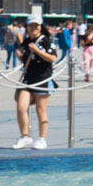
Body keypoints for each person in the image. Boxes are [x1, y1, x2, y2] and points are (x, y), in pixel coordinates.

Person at [12, 15, 57, 149]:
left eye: (36, 25)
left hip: (43, 78)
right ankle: (25, 136)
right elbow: (26, 58)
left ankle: (42, 139)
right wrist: (20, 57)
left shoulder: (46, 41)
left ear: (40, 26)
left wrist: (37, 50)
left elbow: (52, 58)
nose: (34, 28)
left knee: (40, 110)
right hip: (28, 79)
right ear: (27, 27)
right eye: (31, 25)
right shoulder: (25, 42)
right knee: (21, 107)